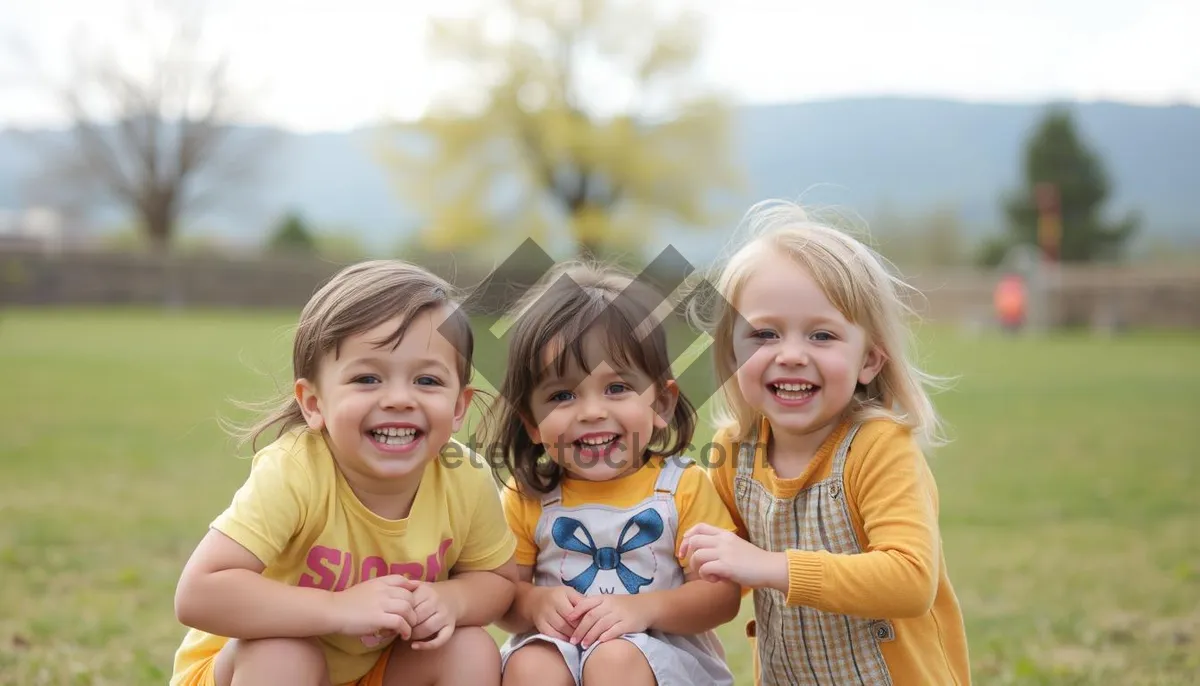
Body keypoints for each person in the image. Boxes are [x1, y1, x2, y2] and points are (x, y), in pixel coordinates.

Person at [170, 260, 519, 686]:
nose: (398, 399)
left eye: (427, 381)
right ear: (314, 403)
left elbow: (499, 581)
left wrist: (454, 599)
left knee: (469, 648)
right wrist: (338, 608)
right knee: (287, 652)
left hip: (373, 669)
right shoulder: (296, 470)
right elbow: (199, 594)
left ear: (459, 405)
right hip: (248, 669)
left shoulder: (464, 476)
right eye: (368, 378)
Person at [679, 201, 972, 685]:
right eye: (765, 334)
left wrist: (770, 566)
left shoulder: (879, 446)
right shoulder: (736, 451)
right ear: (731, 353)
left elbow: (910, 580)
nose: (791, 355)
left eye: (821, 335)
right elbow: (716, 566)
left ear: (870, 361)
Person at [485, 263, 741, 686]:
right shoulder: (527, 495)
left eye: (617, 388)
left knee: (615, 659)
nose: (592, 412)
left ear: (661, 403)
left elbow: (720, 598)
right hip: (561, 649)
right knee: (529, 664)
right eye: (562, 395)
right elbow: (503, 597)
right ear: (531, 422)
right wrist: (534, 602)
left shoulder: (683, 487)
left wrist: (643, 610)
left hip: (664, 655)